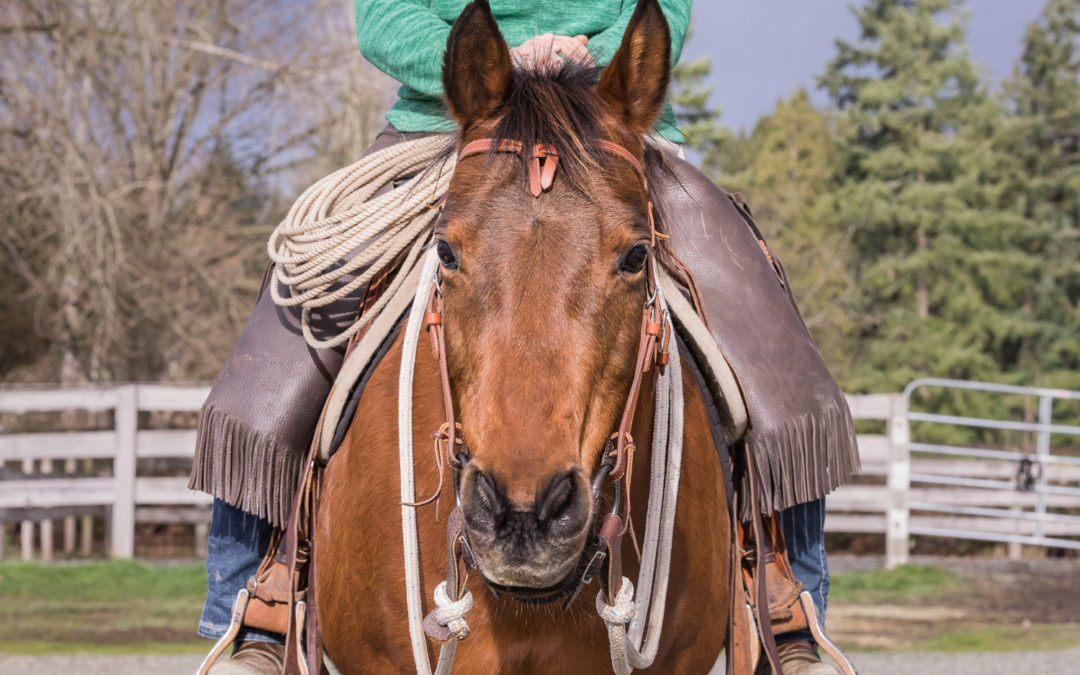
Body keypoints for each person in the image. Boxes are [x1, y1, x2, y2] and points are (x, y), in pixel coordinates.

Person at [192, 2, 854, 673]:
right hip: (456, 121)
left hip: (610, 124)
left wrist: (592, 55)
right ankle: (255, 608)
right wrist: (503, 58)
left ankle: (786, 604)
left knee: (770, 341)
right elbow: (384, 15)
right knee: (292, 316)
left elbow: (665, 9)